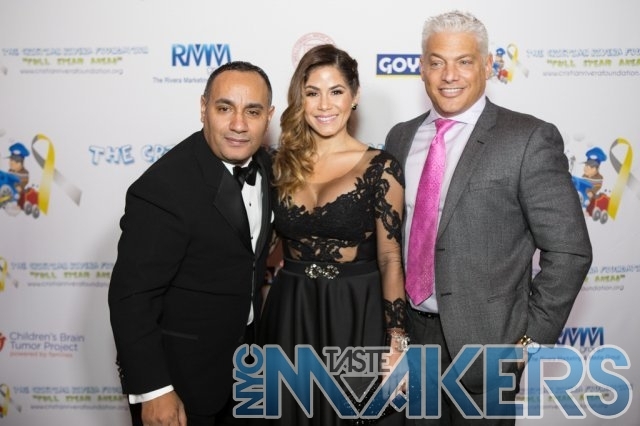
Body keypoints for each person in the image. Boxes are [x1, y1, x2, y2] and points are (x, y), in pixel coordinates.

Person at [384, 10, 592, 425]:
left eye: (464, 61)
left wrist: (525, 344)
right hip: (412, 343)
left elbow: (570, 251)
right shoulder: (400, 136)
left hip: (490, 347)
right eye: (437, 62)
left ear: (487, 64)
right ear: (422, 67)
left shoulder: (527, 138)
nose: (449, 75)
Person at [108, 61, 275, 426]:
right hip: (181, 381)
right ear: (203, 108)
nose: (238, 125)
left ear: (269, 116)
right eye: (224, 108)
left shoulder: (267, 166)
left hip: (248, 374)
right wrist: (154, 390)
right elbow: (131, 297)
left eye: (252, 111)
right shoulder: (163, 188)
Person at [256, 44, 407, 425]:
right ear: (300, 99)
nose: (325, 105)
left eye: (336, 91)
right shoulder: (278, 163)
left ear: (354, 97)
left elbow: (390, 258)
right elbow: (260, 245)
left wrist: (397, 341)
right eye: (313, 93)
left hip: (356, 311)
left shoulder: (381, 167)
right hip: (291, 310)